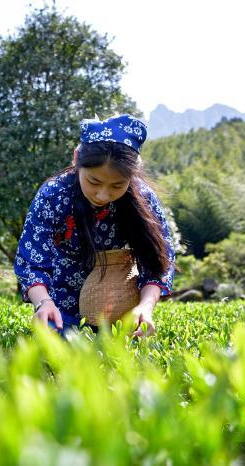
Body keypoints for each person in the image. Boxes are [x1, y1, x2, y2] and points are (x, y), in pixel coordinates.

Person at [14, 114, 175, 338]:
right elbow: (32, 260)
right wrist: (43, 303)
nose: (103, 195)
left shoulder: (143, 199)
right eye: (94, 182)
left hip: (117, 298)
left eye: (117, 185)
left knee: (121, 348)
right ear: (76, 159)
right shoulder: (53, 195)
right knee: (60, 345)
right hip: (60, 299)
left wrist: (145, 307)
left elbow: (158, 260)